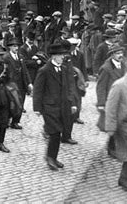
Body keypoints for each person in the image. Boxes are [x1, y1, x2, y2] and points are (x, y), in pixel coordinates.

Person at [33, 43, 77, 171]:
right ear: (54, 57)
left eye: (63, 55)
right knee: (54, 133)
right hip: (49, 107)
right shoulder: (44, 70)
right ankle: (50, 158)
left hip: (62, 106)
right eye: (61, 55)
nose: (63, 57)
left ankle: (53, 157)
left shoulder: (63, 68)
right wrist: (37, 108)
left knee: (59, 132)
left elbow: (69, 87)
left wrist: (72, 103)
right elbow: (38, 90)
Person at [96, 44, 127, 158]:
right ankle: (111, 148)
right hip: (112, 100)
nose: (121, 55)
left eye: (121, 53)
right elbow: (100, 87)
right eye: (118, 53)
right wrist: (101, 103)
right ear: (112, 55)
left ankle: (119, 146)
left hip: (123, 100)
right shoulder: (105, 69)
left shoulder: (124, 65)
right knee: (113, 124)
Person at [105, 70, 127, 192]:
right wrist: (110, 128)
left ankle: (126, 177)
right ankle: (124, 178)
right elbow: (111, 108)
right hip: (124, 124)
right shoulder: (119, 85)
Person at [3, 38, 33, 129]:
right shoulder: (6, 57)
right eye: (14, 46)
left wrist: (29, 83)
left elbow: (25, 71)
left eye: (17, 46)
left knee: (20, 103)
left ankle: (16, 121)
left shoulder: (20, 57)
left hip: (21, 84)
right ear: (10, 47)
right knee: (10, 103)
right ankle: (6, 120)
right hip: (11, 84)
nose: (16, 48)